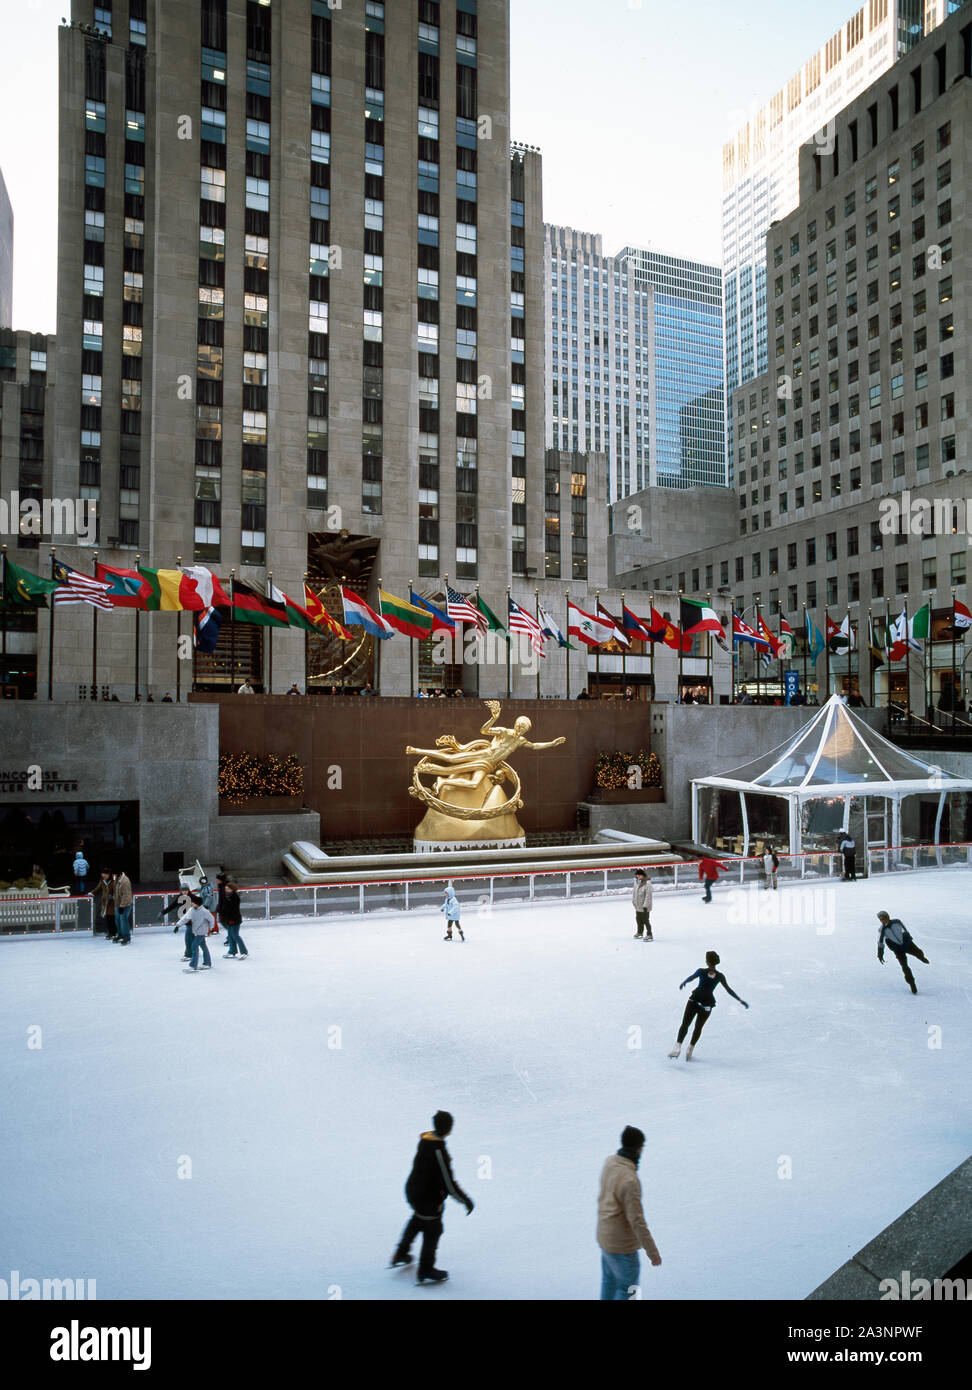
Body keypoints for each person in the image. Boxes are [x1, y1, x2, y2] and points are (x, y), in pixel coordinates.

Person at [390, 1110, 474, 1285]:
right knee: (433, 1229)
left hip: (413, 1191)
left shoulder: (425, 1141)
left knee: (418, 1220)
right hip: (427, 1198)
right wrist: (464, 1200)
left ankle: (401, 1252)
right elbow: (449, 1183)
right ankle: (426, 1269)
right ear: (448, 1128)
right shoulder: (438, 1150)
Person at [596, 1125, 662, 1300]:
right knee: (630, 1289)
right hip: (622, 1246)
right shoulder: (630, 1180)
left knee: (609, 1281)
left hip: (604, 1238)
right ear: (638, 1148)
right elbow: (637, 1220)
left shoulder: (610, 1162)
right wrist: (652, 1252)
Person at [668, 951, 749, 1060]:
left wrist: (684, 982)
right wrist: (740, 1000)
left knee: (685, 1024)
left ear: (707, 961)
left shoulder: (701, 971)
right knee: (698, 1027)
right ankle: (690, 1049)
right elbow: (728, 990)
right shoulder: (720, 976)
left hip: (694, 1000)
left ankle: (677, 1047)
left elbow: (692, 977)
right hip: (707, 1004)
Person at [877, 911, 929, 995]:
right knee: (904, 966)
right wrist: (880, 953)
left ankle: (921, 957)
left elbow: (904, 929)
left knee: (919, 952)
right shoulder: (882, 930)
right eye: (881, 920)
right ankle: (912, 983)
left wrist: (909, 937)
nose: (883, 921)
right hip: (897, 949)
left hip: (906, 944)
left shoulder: (897, 921)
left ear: (888, 917)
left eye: (884, 918)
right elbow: (880, 942)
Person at [175, 893, 215, 971]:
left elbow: (211, 919)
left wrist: (210, 928)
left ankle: (193, 966)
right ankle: (207, 963)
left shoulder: (204, 911)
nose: (191, 903)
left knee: (194, 946)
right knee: (203, 946)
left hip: (201, 931)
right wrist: (178, 925)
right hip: (196, 931)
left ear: (197, 903)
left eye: (192, 902)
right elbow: (185, 918)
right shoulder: (192, 910)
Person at [218, 874, 248, 959]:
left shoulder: (234, 897)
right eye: (226, 888)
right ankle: (232, 951)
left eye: (228, 889)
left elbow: (233, 910)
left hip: (234, 920)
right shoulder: (227, 896)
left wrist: (231, 919)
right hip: (229, 919)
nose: (226, 890)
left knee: (235, 936)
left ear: (232, 889)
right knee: (230, 936)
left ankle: (244, 951)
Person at [92, 868, 115, 938]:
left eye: (105, 874)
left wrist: (113, 896)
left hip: (112, 902)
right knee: (108, 917)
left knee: (112, 917)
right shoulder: (102, 881)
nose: (103, 875)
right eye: (103, 874)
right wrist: (91, 893)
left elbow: (117, 890)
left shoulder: (113, 881)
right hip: (105, 902)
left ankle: (113, 933)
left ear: (109, 874)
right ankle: (111, 932)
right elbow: (98, 888)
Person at [113, 868, 133, 945]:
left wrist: (122, 906)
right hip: (118, 903)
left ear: (119, 874)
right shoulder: (116, 878)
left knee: (123, 921)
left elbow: (126, 896)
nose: (113, 876)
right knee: (117, 920)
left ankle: (127, 937)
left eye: (114, 874)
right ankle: (120, 935)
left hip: (125, 905)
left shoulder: (125, 881)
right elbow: (116, 890)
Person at [632, 869, 653, 941]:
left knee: (645, 920)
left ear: (642, 875)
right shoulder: (637, 882)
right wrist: (634, 902)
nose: (637, 876)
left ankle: (649, 934)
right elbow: (634, 893)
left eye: (638, 875)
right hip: (638, 905)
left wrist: (645, 906)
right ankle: (640, 932)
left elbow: (648, 896)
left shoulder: (648, 884)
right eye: (636, 875)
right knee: (638, 919)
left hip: (645, 906)